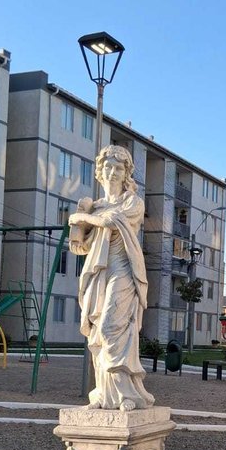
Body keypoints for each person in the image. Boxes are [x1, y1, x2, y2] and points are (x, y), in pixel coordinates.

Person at [68, 144, 154, 411]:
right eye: (108, 167)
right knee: (96, 333)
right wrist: (79, 227)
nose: (113, 172)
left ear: (126, 173)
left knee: (111, 327)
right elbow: (80, 247)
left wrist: (82, 216)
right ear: (100, 171)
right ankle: (104, 395)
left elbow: (112, 220)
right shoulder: (95, 207)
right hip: (98, 271)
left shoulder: (132, 202)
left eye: (119, 168)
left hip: (124, 269)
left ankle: (127, 393)